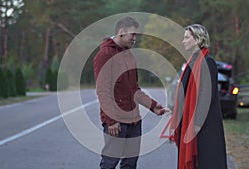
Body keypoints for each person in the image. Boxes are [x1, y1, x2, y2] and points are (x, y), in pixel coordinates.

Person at [93, 16, 167, 169]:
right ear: (121, 32)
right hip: (116, 121)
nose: (135, 38)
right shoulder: (105, 54)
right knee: (109, 163)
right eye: (132, 35)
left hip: (134, 120)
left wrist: (153, 106)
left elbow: (134, 89)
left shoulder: (129, 56)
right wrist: (111, 120)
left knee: (130, 164)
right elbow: (103, 91)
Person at [169, 24, 228, 169]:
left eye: (187, 38)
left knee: (205, 161)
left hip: (203, 126)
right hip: (190, 122)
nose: (183, 41)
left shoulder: (208, 62)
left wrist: (196, 124)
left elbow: (207, 95)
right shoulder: (192, 61)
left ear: (197, 39)